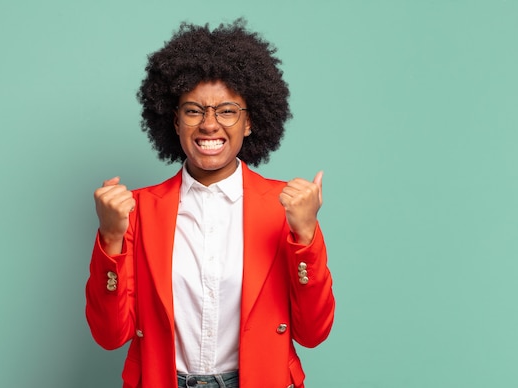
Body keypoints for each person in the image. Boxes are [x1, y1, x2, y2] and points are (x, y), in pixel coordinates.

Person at [86, 19, 335, 388]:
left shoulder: (286, 207)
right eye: (193, 110)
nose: (209, 124)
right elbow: (110, 337)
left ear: (250, 122)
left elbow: (313, 333)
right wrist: (110, 238)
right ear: (174, 121)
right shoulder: (136, 211)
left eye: (228, 110)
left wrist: (305, 235)